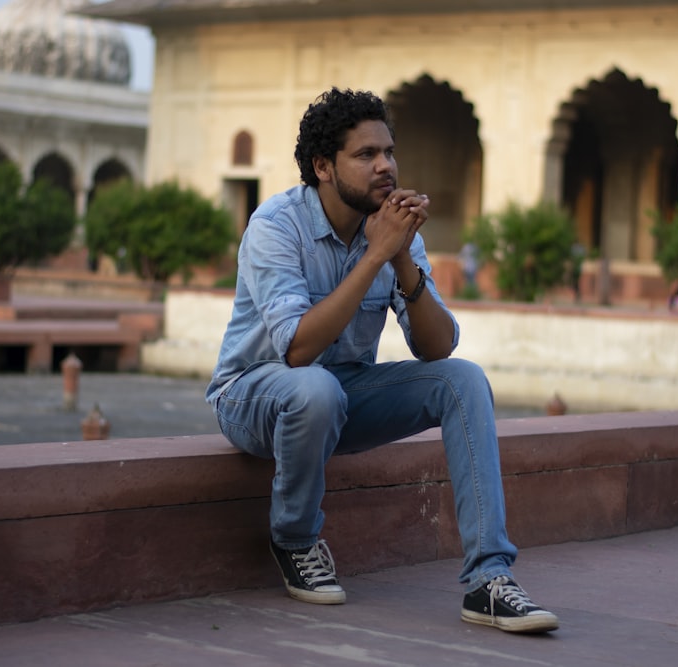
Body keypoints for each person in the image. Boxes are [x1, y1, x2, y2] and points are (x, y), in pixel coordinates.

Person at [206, 87, 559, 634]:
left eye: (389, 152)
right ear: (324, 166)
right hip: (254, 394)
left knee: (462, 380)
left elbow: (437, 347)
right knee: (313, 387)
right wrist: (375, 254)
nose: (385, 166)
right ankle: (296, 538)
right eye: (366, 155)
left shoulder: (393, 230)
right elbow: (298, 350)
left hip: (342, 394)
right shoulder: (276, 226)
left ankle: (489, 580)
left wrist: (399, 256)